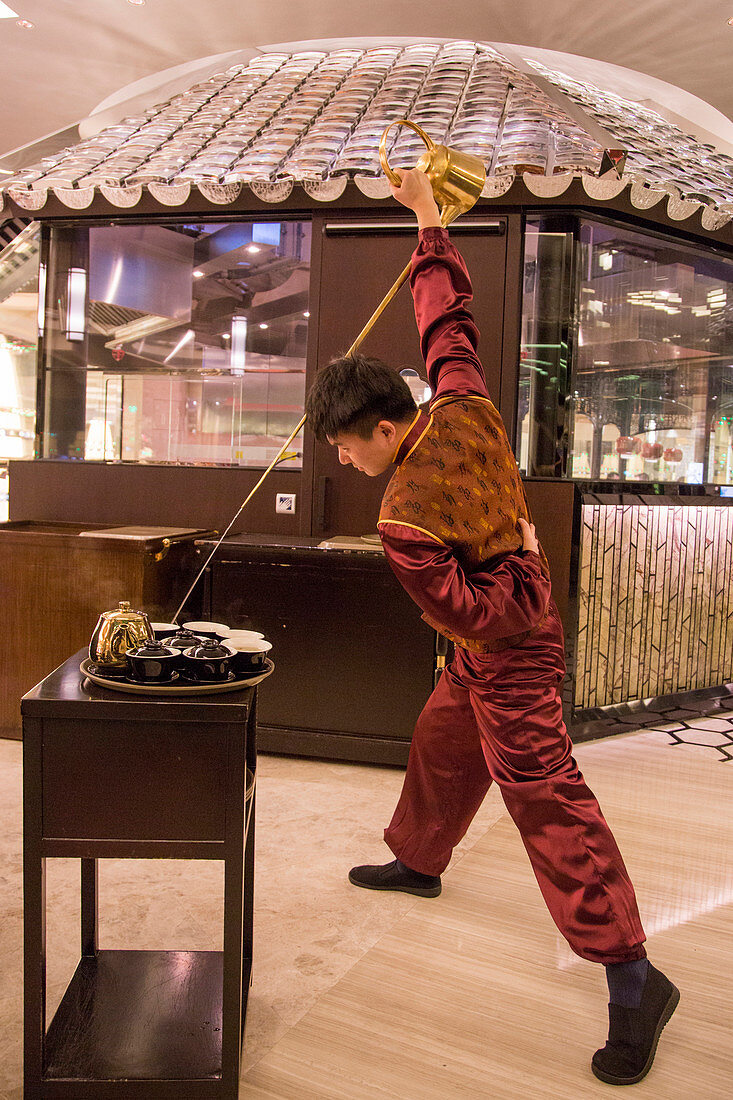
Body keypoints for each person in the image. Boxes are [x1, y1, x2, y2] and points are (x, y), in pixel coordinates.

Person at [304, 168, 679, 1086]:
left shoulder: (403, 518)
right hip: (494, 642)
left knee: (547, 803)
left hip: (510, 647)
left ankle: (633, 974)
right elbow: (446, 317)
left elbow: (473, 613)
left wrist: (518, 574)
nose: (344, 460)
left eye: (348, 446)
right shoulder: (460, 399)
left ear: (388, 430)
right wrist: (427, 217)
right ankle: (420, 859)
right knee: (439, 739)